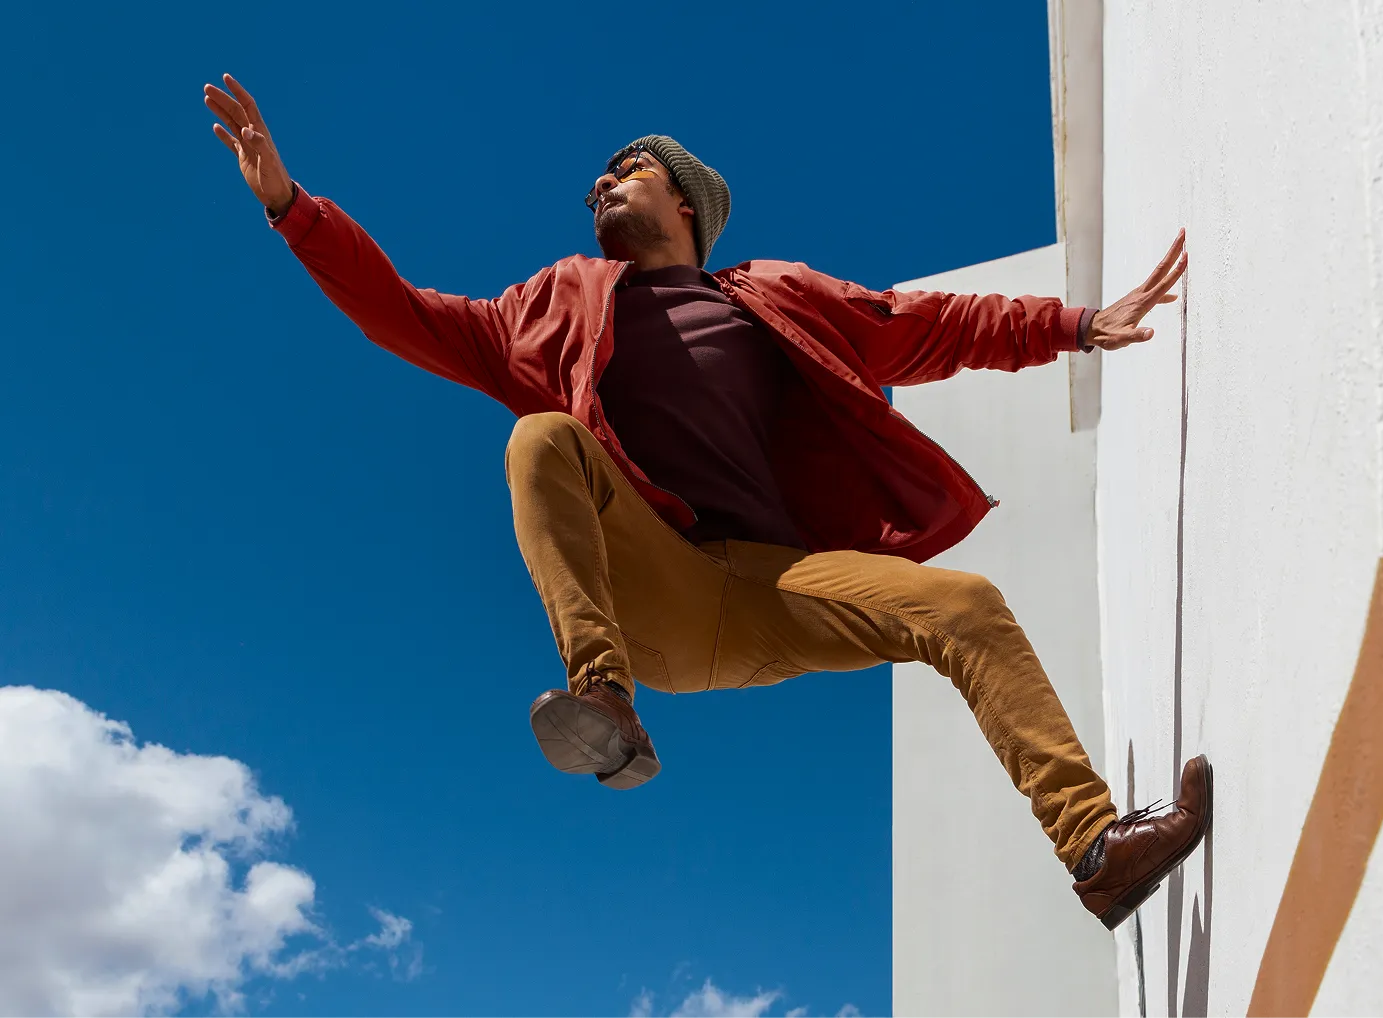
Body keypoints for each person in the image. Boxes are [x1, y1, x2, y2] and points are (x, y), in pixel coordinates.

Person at [204, 73, 1211, 929]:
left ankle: (1097, 849)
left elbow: (922, 324)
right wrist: (295, 209)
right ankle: (605, 700)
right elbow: (407, 313)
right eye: (599, 178)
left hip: (786, 584)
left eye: (628, 170)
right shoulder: (557, 301)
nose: (602, 182)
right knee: (541, 437)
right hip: (663, 592)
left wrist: (1078, 323)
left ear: (685, 201)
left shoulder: (771, 293)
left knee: (965, 606)